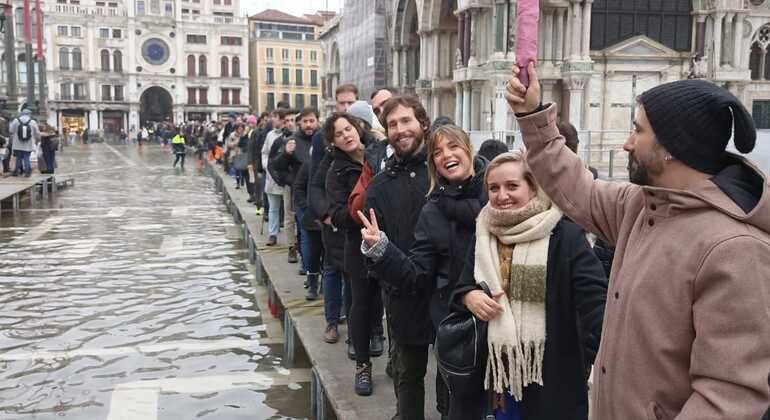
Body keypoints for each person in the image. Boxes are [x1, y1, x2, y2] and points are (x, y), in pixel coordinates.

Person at [506, 63, 770, 418]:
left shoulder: (734, 249)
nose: (627, 143)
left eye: (638, 130)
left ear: (672, 147)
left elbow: (729, 394)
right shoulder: (641, 205)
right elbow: (577, 189)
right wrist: (534, 116)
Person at [453, 151, 607, 419]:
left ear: (533, 188)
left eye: (512, 186)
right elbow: (463, 286)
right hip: (496, 379)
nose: (502, 196)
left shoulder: (565, 236)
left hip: (551, 380)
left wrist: (595, 358)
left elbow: (596, 304)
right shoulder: (484, 234)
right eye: (494, 188)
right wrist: (469, 296)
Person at [359, 121, 486, 420]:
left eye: (453, 146)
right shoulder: (433, 211)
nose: (446, 155)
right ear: (433, 164)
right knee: (454, 405)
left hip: (503, 326)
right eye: (437, 152)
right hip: (457, 329)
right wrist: (382, 250)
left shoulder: (498, 193)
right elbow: (417, 275)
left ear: (468, 150)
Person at [323, 112, 377, 396]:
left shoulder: (379, 153)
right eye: (339, 134)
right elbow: (339, 216)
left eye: (348, 128)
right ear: (333, 143)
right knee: (360, 305)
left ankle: (398, 361)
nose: (346, 135)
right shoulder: (336, 171)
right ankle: (362, 366)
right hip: (358, 246)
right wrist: (365, 206)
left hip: (391, 240)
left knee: (394, 303)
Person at [308, 84, 360, 347]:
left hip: (359, 226)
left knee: (354, 278)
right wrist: (326, 214)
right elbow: (313, 184)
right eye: (342, 103)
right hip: (334, 222)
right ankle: (331, 321)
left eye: (351, 103)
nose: (347, 107)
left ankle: (357, 328)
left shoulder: (372, 143)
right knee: (331, 270)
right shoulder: (326, 146)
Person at [271, 107, 321, 287]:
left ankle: (315, 269)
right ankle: (309, 271)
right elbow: (276, 166)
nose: (308, 125)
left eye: (312, 121)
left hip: (322, 195)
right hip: (300, 195)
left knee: (321, 238)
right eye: (305, 121)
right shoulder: (291, 141)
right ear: (300, 123)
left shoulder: (324, 139)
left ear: (317, 121)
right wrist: (286, 154)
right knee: (304, 234)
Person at [262, 109, 288, 246]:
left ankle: (293, 240)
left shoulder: (289, 135)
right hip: (272, 176)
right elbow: (264, 153)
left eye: (275, 117)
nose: (273, 120)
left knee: (289, 210)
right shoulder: (269, 135)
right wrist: (267, 166)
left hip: (287, 177)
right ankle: (272, 233)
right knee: (273, 207)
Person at [9, 106, 40, 177]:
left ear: (22, 114)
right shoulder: (32, 122)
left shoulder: (16, 121)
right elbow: (37, 132)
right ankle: (27, 172)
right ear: (29, 114)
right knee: (27, 158)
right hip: (28, 144)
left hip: (17, 144)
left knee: (18, 158)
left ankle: (16, 172)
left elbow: (11, 130)